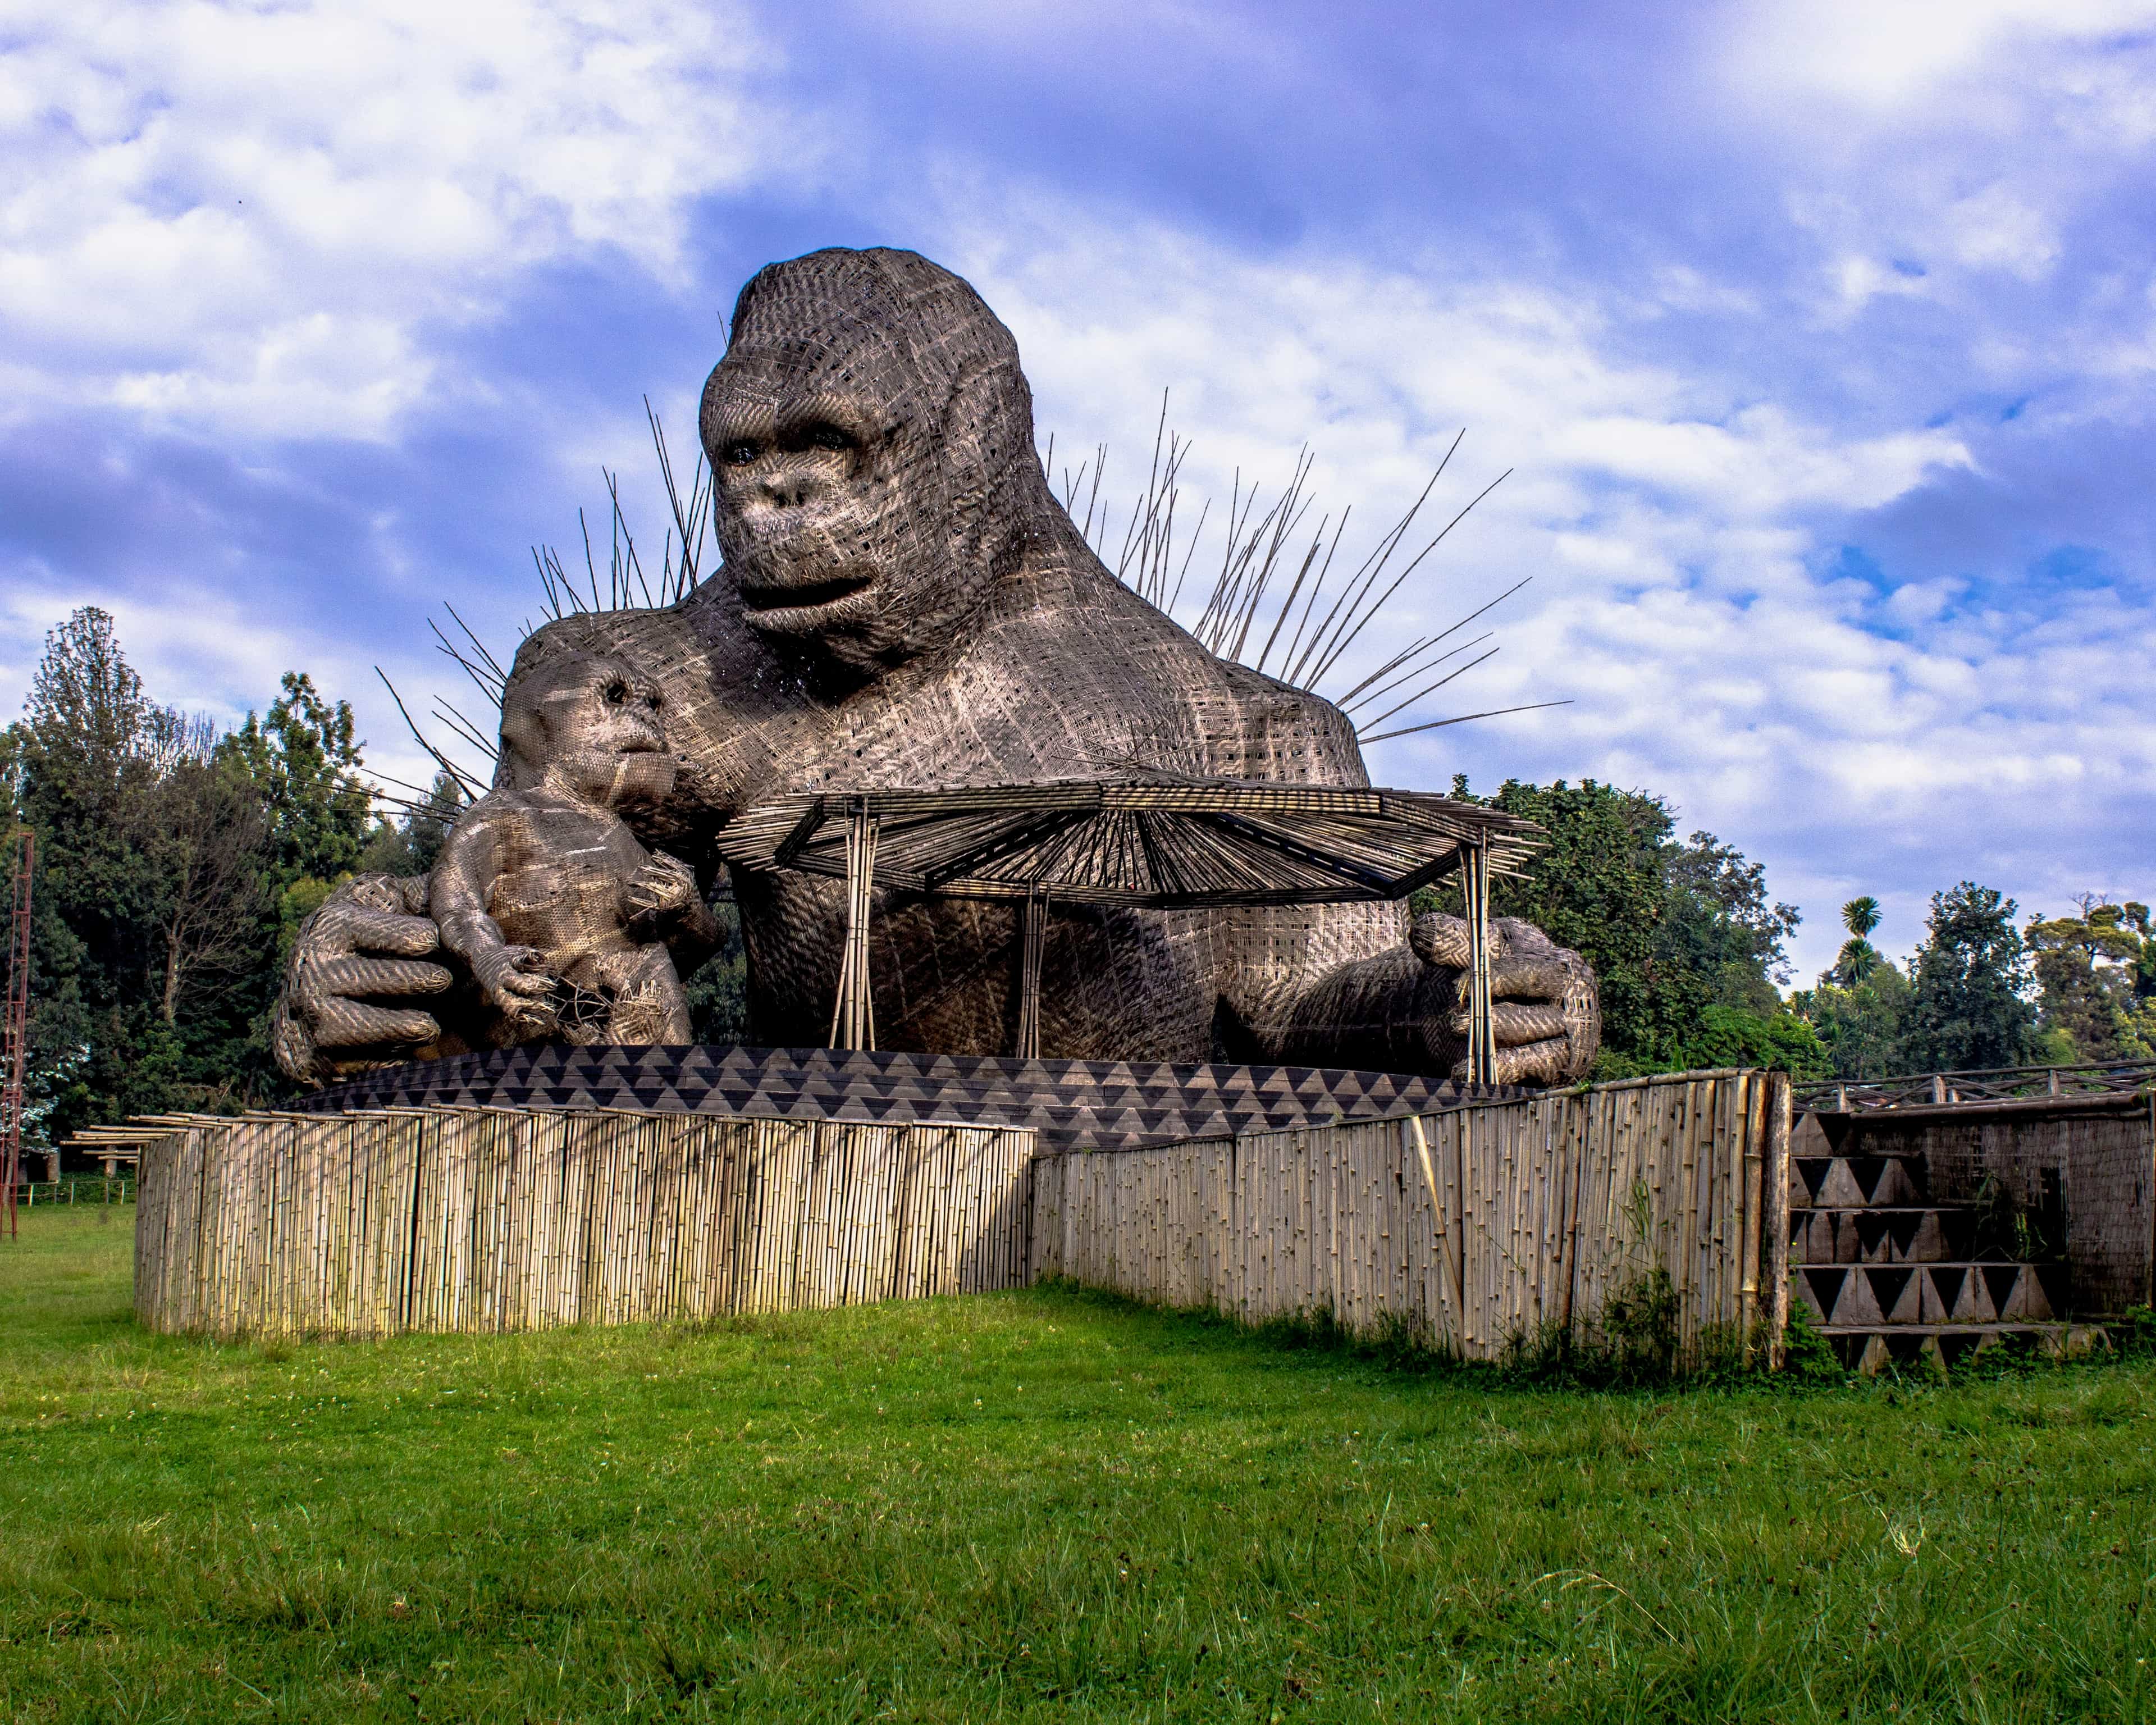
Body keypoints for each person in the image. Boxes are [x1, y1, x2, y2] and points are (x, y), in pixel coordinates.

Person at [273, 248, 1598, 1086]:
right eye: (742, 458)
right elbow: (524, 860)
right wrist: (394, 971)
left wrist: (1470, 1001)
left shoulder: (1252, 733)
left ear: (980, 439)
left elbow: (1314, 1003)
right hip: (803, 1194)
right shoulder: (676, 682)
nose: (771, 505)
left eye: (832, 448)